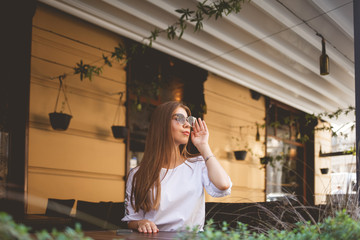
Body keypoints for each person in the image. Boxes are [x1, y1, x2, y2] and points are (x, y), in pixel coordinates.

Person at [121, 101, 232, 233]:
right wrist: (141, 222)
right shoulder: (138, 174)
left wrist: (203, 146)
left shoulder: (197, 164)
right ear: (161, 124)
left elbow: (223, 185)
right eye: (178, 118)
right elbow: (132, 219)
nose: (186, 124)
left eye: (188, 120)